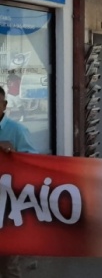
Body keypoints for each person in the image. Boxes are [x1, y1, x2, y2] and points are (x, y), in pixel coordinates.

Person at [0, 85, 38, 278]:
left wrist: (14, 155)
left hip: (8, 206)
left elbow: (33, 165)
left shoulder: (18, 131)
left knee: (8, 264)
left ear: (4, 105)